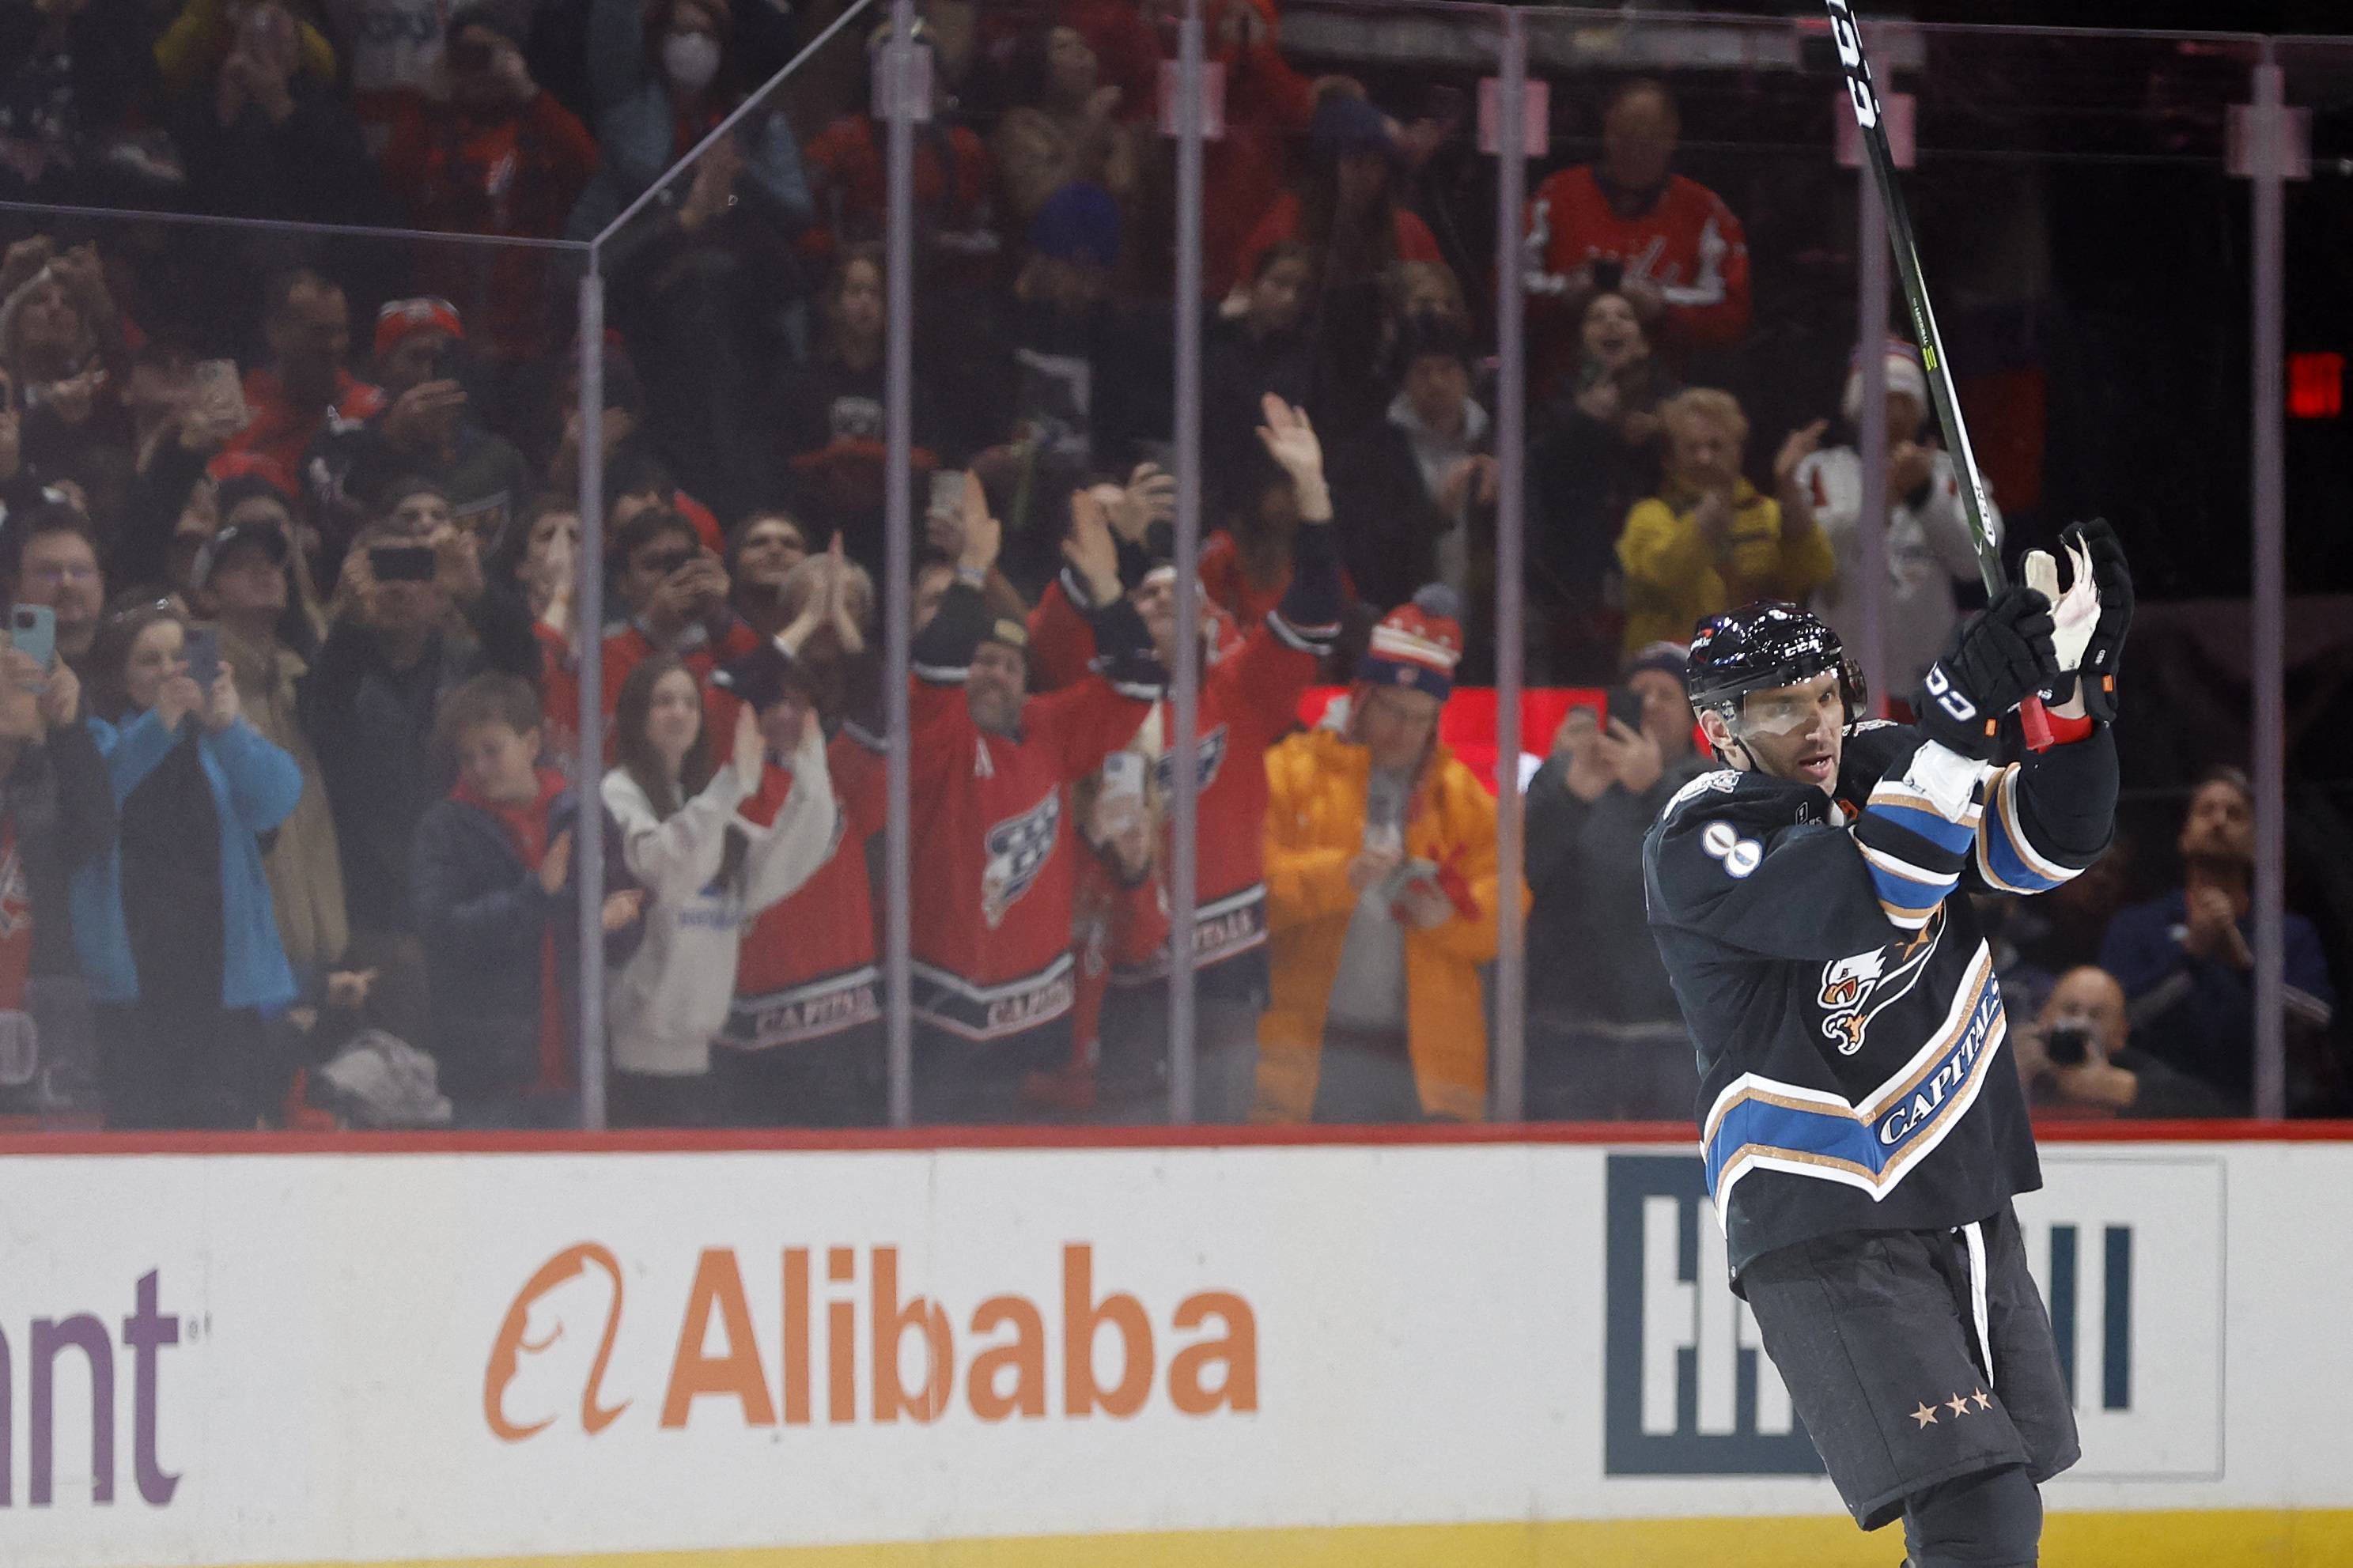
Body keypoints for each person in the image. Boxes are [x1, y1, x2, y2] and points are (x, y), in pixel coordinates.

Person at [1640, 521, 2132, 1568]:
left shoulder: (1883, 761)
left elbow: (2048, 843)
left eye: (1823, 691)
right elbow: (1880, 896)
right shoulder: (1701, 834)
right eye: (1779, 705)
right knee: (1976, 1515)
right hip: (1822, 1215)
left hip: (1952, 1192)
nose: (1814, 722)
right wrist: (1952, 723)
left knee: (1991, 1511)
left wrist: (2068, 703)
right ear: (1718, 730)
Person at [1031, 396, 1344, 1121]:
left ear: (1213, 621)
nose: (1161, 603)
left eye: (1181, 595)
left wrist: (1313, 496)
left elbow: (1318, 607)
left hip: (1221, 967)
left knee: (1224, 1152)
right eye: (1144, 594)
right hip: (1113, 967)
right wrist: (1107, 546)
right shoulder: (1095, 697)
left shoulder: (1239, 693)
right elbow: (1052, 638)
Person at [905, 481, 1160, 1123]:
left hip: (1036, 1018)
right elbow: (933, 670)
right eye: (981, 661)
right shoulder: (933, 734)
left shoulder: (1046, 728)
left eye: (1010, 666)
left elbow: (1135, 683)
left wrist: (1107, 587)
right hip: (941, 1020)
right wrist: (968, 569)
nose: (995, 673)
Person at [1254, 584, 1517, 1124]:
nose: (1404, 731)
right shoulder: (1291, 771)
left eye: (1421, 717)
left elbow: (1507, 908)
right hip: (1312, 1054)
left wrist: (1449, 916)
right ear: (1361, 696)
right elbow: (1252, 893)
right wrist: (1339, 876)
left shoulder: (1459, 795)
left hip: (1427, 1070)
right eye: (1394, 710)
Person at [306, 509, 540, 1050]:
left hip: (473, 895)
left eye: (416, 569)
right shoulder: (336, 665)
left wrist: (479, 592)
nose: (399, 586)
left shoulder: (469, 667)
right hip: (371, 907)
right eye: (383, 569)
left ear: (440, 589)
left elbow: (524, 668)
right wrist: (347, 619)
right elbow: (326, 727)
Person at [75, 603, 305, 1128]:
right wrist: (160, 723)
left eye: (180, 656)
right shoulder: (103, 734)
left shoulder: (220, 740)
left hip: (220, 975)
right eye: (149, 660)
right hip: (137, 978)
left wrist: (228, 727)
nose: (170, 671)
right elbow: (100, 792)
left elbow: (278, 798)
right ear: (121, 675)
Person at [601, 650, 835, 1126]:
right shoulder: (617, 792)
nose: (679, 712)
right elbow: (666, 869)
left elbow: (775, 867)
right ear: (636, 715)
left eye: (689, 702)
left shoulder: (704, 798)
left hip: (704, 1055)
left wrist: (810, 776)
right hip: (633, 1061)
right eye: (663, 701)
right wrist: (732, 784)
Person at [410, 672, 635, 1127]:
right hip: (487, 1076)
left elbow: (627, 917)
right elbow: (443, 933)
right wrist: (533, 897)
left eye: (492, 750)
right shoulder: (444, 829)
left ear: (532, 743)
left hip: (578, 1068)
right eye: (467, 756)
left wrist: (615, 923)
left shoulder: (583, 816)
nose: (478, 767)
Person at [719, 548, 888, 1126]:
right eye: (813, 607)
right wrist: (799, 629)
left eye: (844, 606)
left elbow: (879, 706)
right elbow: (731, 690)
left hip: (844, 1009)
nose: (787, 713)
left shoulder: (846, 759)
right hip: (747, 1012)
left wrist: (835, 627)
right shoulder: (726, 760)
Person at [1523, 642, 1712, 1120]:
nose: (1649, 704)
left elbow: (1712, 882)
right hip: (1574, 1035)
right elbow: (1525, 872)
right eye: (1638, 692)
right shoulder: (1570, 778)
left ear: (1694, 717)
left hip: (1677, 1039)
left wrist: (1656, 790)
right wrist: (1569, 794)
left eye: (1666, 694)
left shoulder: (1711, 788)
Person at [2099, 766, 2338, 1114]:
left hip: (2268, 1117)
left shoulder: (2290, 933)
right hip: (2158, 1111)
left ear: (2258, 844)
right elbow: (2120, 1019)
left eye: (2235, 814)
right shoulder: (2138, 926)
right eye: (2206, 811)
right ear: (2184, 836)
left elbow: (2316, 1019)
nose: (2219, 821)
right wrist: (2191, 955)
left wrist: (2244, 965)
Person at [377, 2, 600, 368]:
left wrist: (526, 89)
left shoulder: (539, 124)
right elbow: (394, 175)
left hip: (529, 326)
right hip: (448, 326)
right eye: (466, 55)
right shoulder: (433, 126)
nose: (478, 66)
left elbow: (585, 162)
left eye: (488, 53)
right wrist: (430, 97)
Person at [191, 495, 350, 992]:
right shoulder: (196, 686)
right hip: (247, 954)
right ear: (207, 594)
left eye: (273, 565)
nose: (266, 575)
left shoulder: (299, 678)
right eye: (242, 567)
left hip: (323, 946)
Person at [1789, 340, 2000, 705]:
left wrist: (1924, 496)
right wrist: (1881, 502)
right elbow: (1814, 559)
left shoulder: (1952, 473)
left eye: (1905, 399)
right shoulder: (1820, 471)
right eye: (1883, 398)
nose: (1894, 411)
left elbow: (1977, 562)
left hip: (1930, 677)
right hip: (1842, 674)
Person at [1523, 77, 1750, 386]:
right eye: (1625, 136)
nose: (1635, 150)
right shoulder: (1556, 197)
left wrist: (1662, 308)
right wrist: (1568, 296)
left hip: (1669, 407)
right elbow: (1504, 293)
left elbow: (1732, 317)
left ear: (1672, 137)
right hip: (1563, 394)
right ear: (1606, 132)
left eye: (1649, 138)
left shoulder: (1705, 211)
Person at [312, 298, 535, 569]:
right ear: (382, 368)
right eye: (415, 357)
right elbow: (335, 530)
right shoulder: (347, 444)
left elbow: (525, 555)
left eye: (443, 359)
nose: (429, 373)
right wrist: (391, 442)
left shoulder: (498, 458)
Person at [1330, 312, 1495, 677]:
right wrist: (1437, 515)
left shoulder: (1498, 443)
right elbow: (1366, 550)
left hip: (1487, 641)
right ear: (1404, 380)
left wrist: (1500, 506)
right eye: (1423, 371)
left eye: (1448, 368)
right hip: (1404, 638)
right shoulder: (1374, 451)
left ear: (1467, 375)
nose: (1436, 382)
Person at [1526, 288, 1678, 682]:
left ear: (1643, 342)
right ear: (1581, 340)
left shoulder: (1671, 399)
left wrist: (1661, 434)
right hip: (1576, 575)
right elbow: (1539, 469)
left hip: (1655, 572)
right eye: (1597, 317)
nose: (1611, 323)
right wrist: (1584, 421)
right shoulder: (1557, 395)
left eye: (1623, 316)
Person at [1616, 387, 1834, 656]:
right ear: (1670, 458)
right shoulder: (1649, 516)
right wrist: (1717, 502)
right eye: (1692, 448)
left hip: (1754, 672)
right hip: (1672, 677)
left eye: (1715, 446)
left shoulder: (1766, 513)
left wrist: (1788, 487)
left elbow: (1814, 573)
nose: (1704, 458)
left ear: (1738, 452)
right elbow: (1667, 574)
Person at [0, 637, 112, 1111]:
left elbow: (96, 834)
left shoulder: (57, 774)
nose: (9, 689)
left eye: (21, 677)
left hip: (48, 999)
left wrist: (69, 729)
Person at [212, 270, 385, 506]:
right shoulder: (235, 412)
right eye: (319, 332)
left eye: (340, 331)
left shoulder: (372, 408)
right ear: (276, 332)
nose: (333, 346)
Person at [2012, 965, 2229, 1120]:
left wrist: (2118, 1088)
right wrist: (2010, 1079)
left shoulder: (2129, 1069)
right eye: (2070, 1010)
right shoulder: (2023, 1058)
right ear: (2044, 1015)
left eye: (2096, 1015)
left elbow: (2210, 1107)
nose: (2080, 1024)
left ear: (2121, 1033)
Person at [990, 23, 1142, 229]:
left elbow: (1126, 200)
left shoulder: (1111, 131)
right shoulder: (1022, 125)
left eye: (1084, 46)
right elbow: (1040, 203)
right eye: (1062, 47)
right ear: (1039, 63)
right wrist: (1091, 126)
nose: (1080, 53)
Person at [2, 497, 105, 674]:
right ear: (15, 586)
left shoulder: (136, 659)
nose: (67, 582)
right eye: (48, 572)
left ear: (101, 581)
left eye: (80, 571)